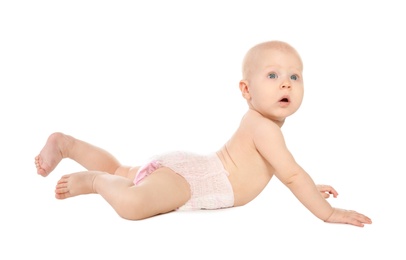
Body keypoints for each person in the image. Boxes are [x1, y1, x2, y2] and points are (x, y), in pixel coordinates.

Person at [35, 40, 372, 227]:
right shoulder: (261, 125)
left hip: (192, 171)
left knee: (123, 172)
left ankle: (67, 144)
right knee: (134, 205)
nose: (286, 82)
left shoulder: (264, 126)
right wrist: (326, 213)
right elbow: (292, 174)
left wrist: (312, 187)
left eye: (294, 77)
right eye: (272, 75)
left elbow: (288, 172)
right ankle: (93, 182)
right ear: (246, 89)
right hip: (193, 182)